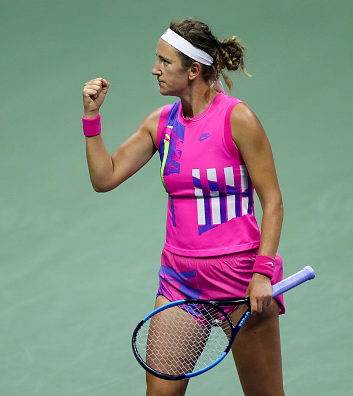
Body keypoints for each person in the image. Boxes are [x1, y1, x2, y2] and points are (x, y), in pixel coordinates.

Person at [81, 18, 285, 396]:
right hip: (180, 281)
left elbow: (272, 201)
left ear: (193, 70)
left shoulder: (237, 118)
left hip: (239, 281)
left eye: (164, 61)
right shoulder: (160, 124)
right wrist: (91, 118)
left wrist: (263, 273)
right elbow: (104, 178)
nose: (154, 69)